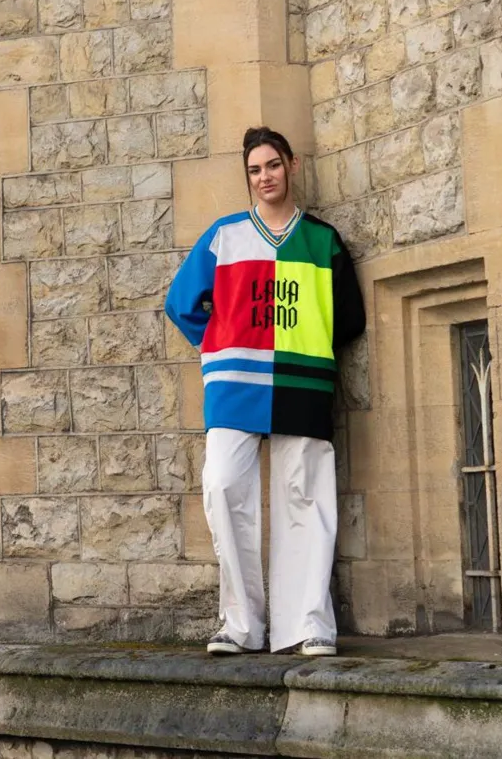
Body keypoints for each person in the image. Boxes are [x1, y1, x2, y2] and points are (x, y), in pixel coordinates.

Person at [164, 126, 365, 657]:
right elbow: (182, 302)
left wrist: (305, 346)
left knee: (306, 496)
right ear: (247, 176)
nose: (264, 177)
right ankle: (240, 625)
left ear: (291, 165)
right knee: (223, 487)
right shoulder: (224, 235)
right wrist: (220, 344)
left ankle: (307, 624)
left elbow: (348, 318)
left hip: (302, 381)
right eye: (254, 170)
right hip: (233, 386)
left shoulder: (323, 240)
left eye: (272, 165)